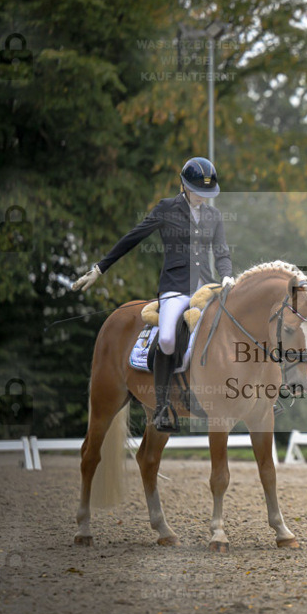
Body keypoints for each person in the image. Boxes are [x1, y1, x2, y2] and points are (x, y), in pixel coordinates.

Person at [73, 157, 235, 431]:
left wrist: (227, 274)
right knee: (168, 337)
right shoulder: (166, 209)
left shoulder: (213, 216)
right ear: (184, 186)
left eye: (207, 193)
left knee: (232, 329)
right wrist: (100, 269)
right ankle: (162, 407)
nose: (202, 197)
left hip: (206, 289)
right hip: (175, 288)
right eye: (198, 191)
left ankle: (250, 396)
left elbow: (222, 253)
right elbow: (133, 237)